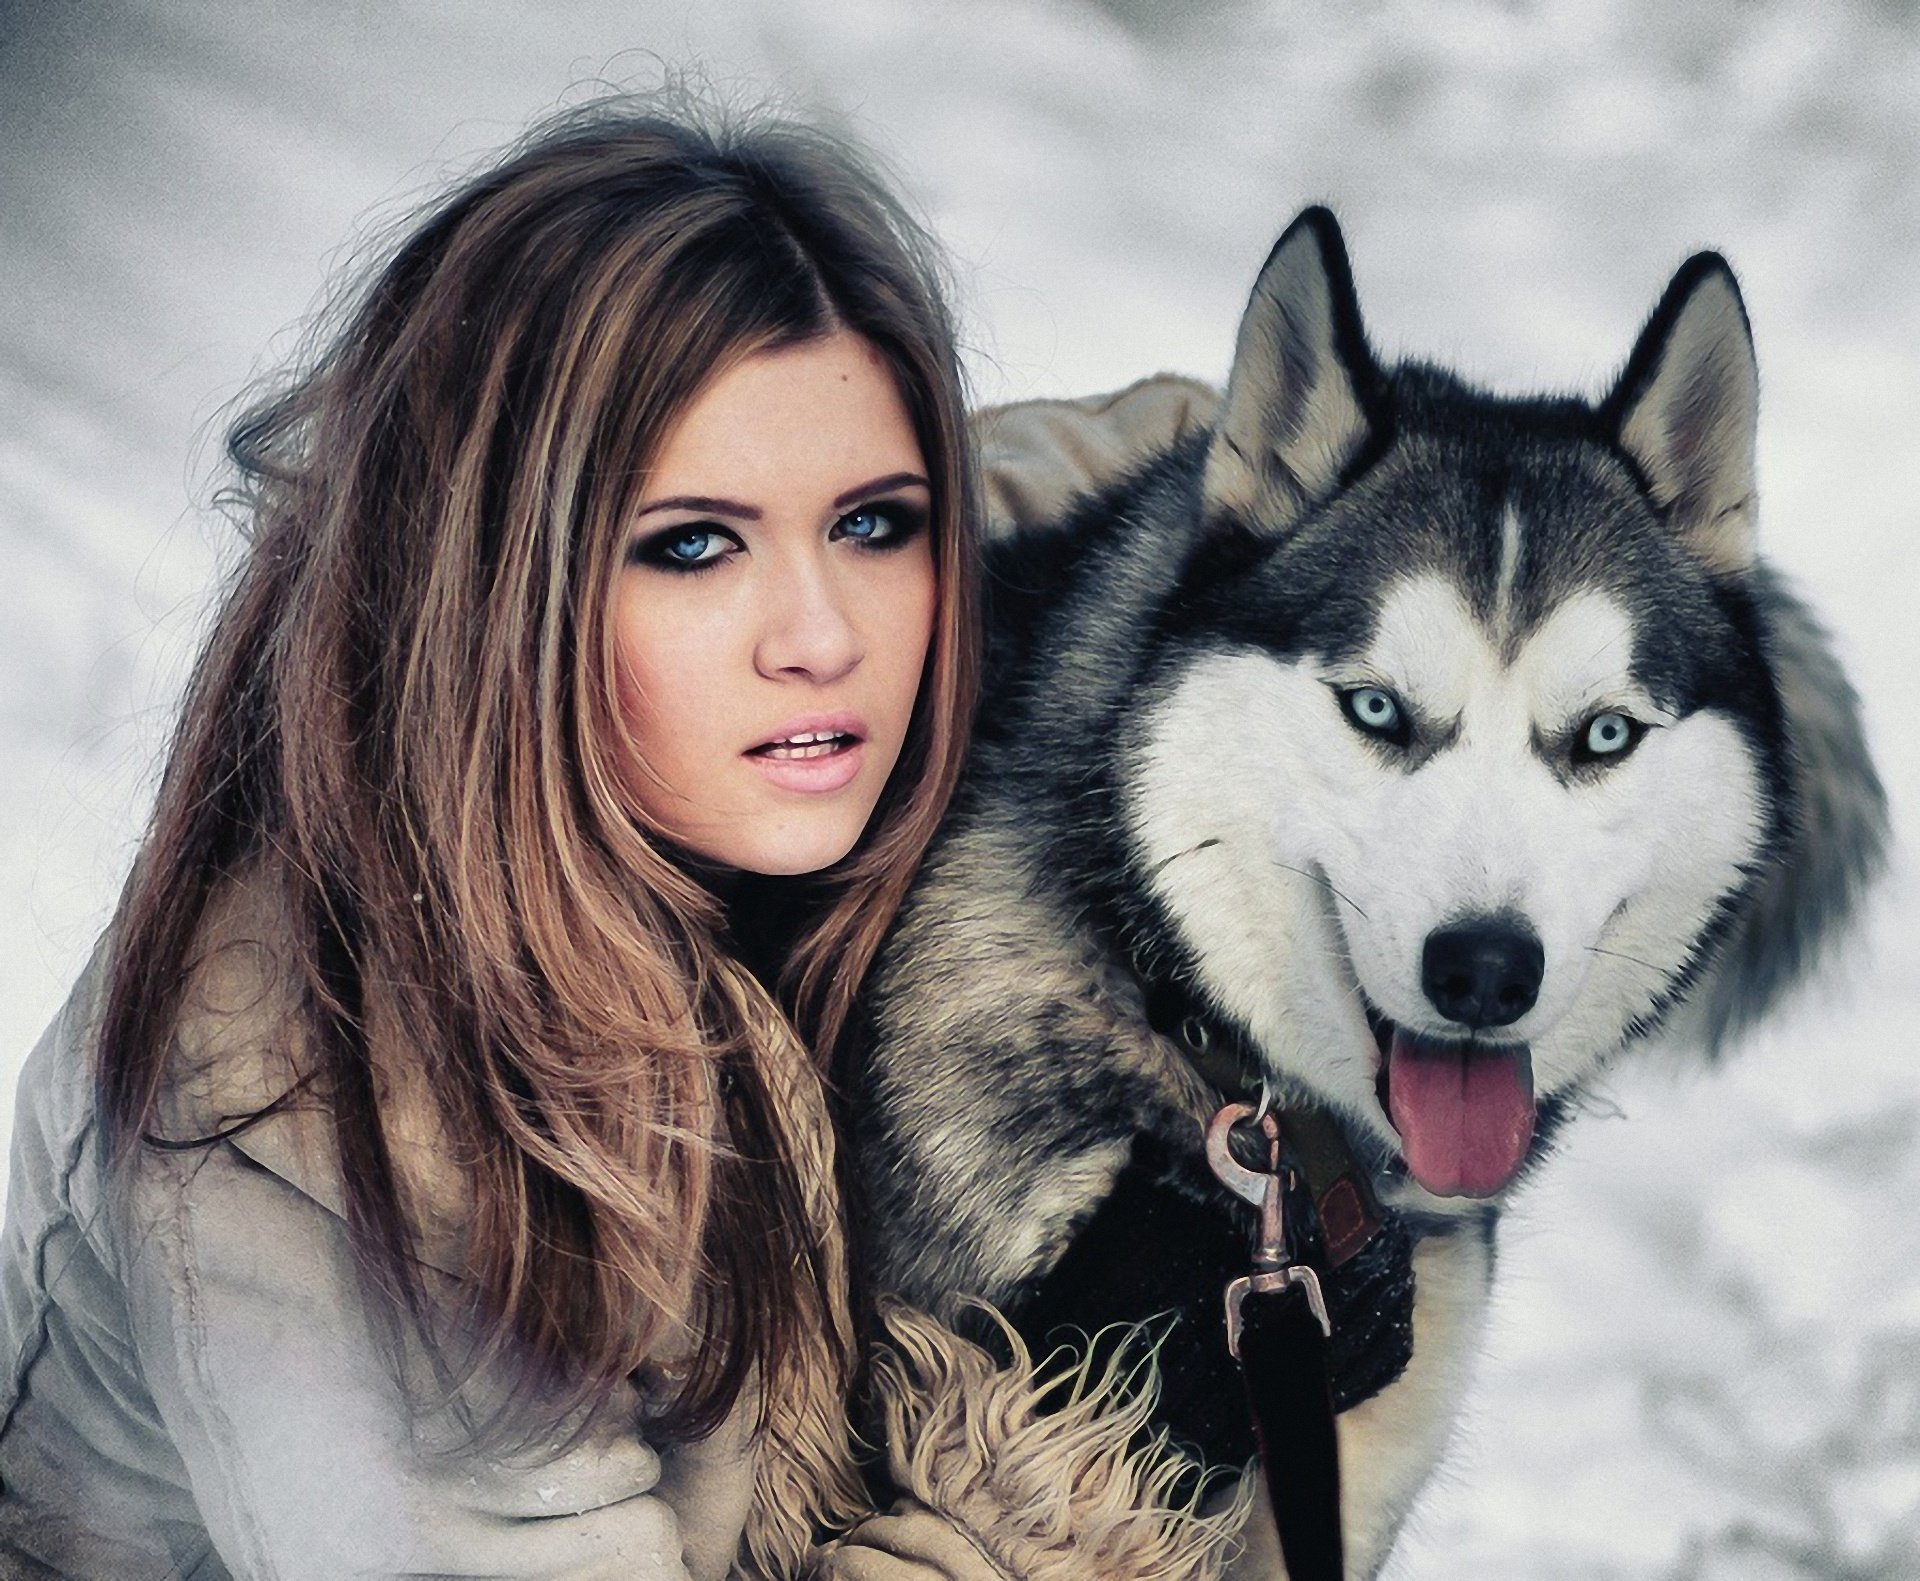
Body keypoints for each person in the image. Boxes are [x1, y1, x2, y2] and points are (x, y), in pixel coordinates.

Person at [0, 97, 1231, 1580]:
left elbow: (1139, 457)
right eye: (693, 545)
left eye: (874, 525)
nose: (823, 636)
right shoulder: (331, 1132)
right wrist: (1068, 1485)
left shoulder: (698, 762)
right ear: (495, 588)